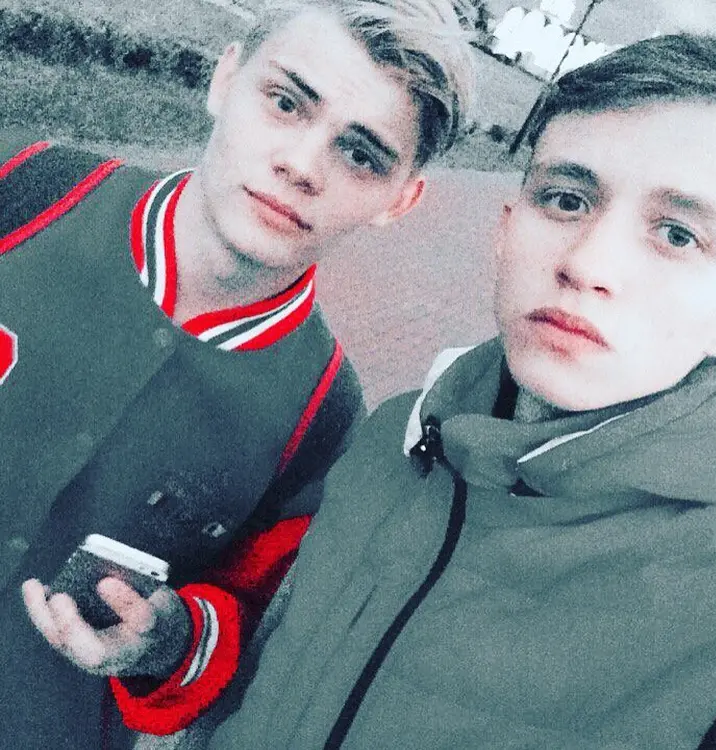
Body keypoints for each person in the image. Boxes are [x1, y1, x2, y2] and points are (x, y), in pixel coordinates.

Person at [200, 32, 716, 750]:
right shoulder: (392, 438)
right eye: (566, 199)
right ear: (506, 229)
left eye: (678, 236)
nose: (588, 264)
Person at [0, 0, 476, 748]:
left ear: (400, 200)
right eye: (285, 102)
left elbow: (249, 619)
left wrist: (166, 639)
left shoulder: (325, 416)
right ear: (225, 78)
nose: (302, 166)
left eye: (361, 155)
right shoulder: (23, 187)